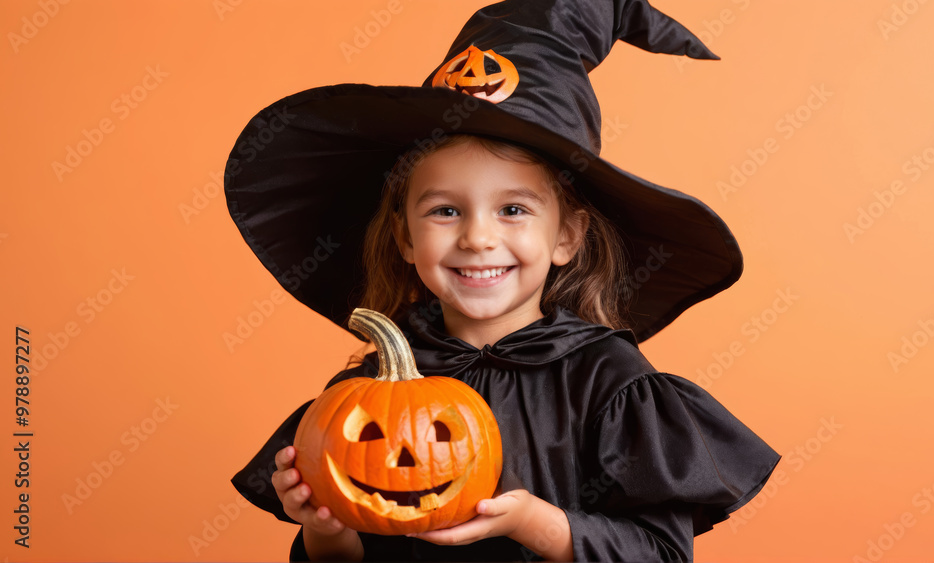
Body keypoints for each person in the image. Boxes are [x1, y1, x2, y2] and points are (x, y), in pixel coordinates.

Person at [226, 1, 780, 561]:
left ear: (567, 236)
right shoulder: (373, 389)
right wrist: (324, 525)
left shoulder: (608, 380)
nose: (477, 238)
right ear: (404, 238)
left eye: (513, 210)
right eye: (445, 211)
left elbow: (660, 552)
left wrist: (532, 522)